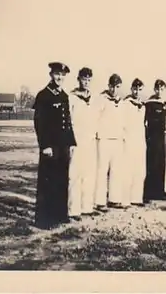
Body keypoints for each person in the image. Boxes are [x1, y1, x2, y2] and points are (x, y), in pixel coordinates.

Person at [32, 61, 77, 228]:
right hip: (51, 146)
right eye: (57, 74)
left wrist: (71, 142)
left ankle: (60, 214)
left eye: (63, 75)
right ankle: (44, 219)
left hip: (63, 146)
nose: (60, 78)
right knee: (48, 182)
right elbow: (39, 123)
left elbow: (68, 122)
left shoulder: (64, 96)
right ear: (51, 75)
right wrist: (45, 145)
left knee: (61, 180)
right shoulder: (44, 95)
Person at [68, 67, 99, 219]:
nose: (86, 82)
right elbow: (68, 121)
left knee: (89, 174)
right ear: (78, 79)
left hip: (90, 140)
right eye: (83, 79)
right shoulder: (72, 97)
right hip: (77, 140)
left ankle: (87, 206)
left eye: (88, 80)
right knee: (75, 174)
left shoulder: (94, 98)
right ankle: (74, 209)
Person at [95, 74, 126, 210]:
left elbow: (124, 121)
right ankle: (100, 201)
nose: (114, 90)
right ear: (108, 86)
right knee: (102, 170)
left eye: (117, 87)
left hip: (117, 139)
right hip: (104, 139)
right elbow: (95, 118)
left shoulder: (122, 102)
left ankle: (114, 199)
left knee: (116, 170)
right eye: (112, 86)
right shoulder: (101, 99)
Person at [121, 78, 146, 207]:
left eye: (139, 89)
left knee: (139, 169)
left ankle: (137, 198)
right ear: (131, 89)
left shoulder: (143, 105)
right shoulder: (125, 103)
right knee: (127, 169)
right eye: (135, 89)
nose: (137, 92)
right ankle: (125, 199)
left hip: (140, 140)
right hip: (128, 139)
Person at [143, 79, 166, 202]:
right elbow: (145, 121)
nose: (159, 91)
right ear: (154, 89)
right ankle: (149, 193)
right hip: (152, 137)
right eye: (157, 89)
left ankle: (159, 191)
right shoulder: (149, 103)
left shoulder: (165, 103)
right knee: (151, 163)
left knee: (161, 164)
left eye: (162, 89)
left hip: (161, 137)